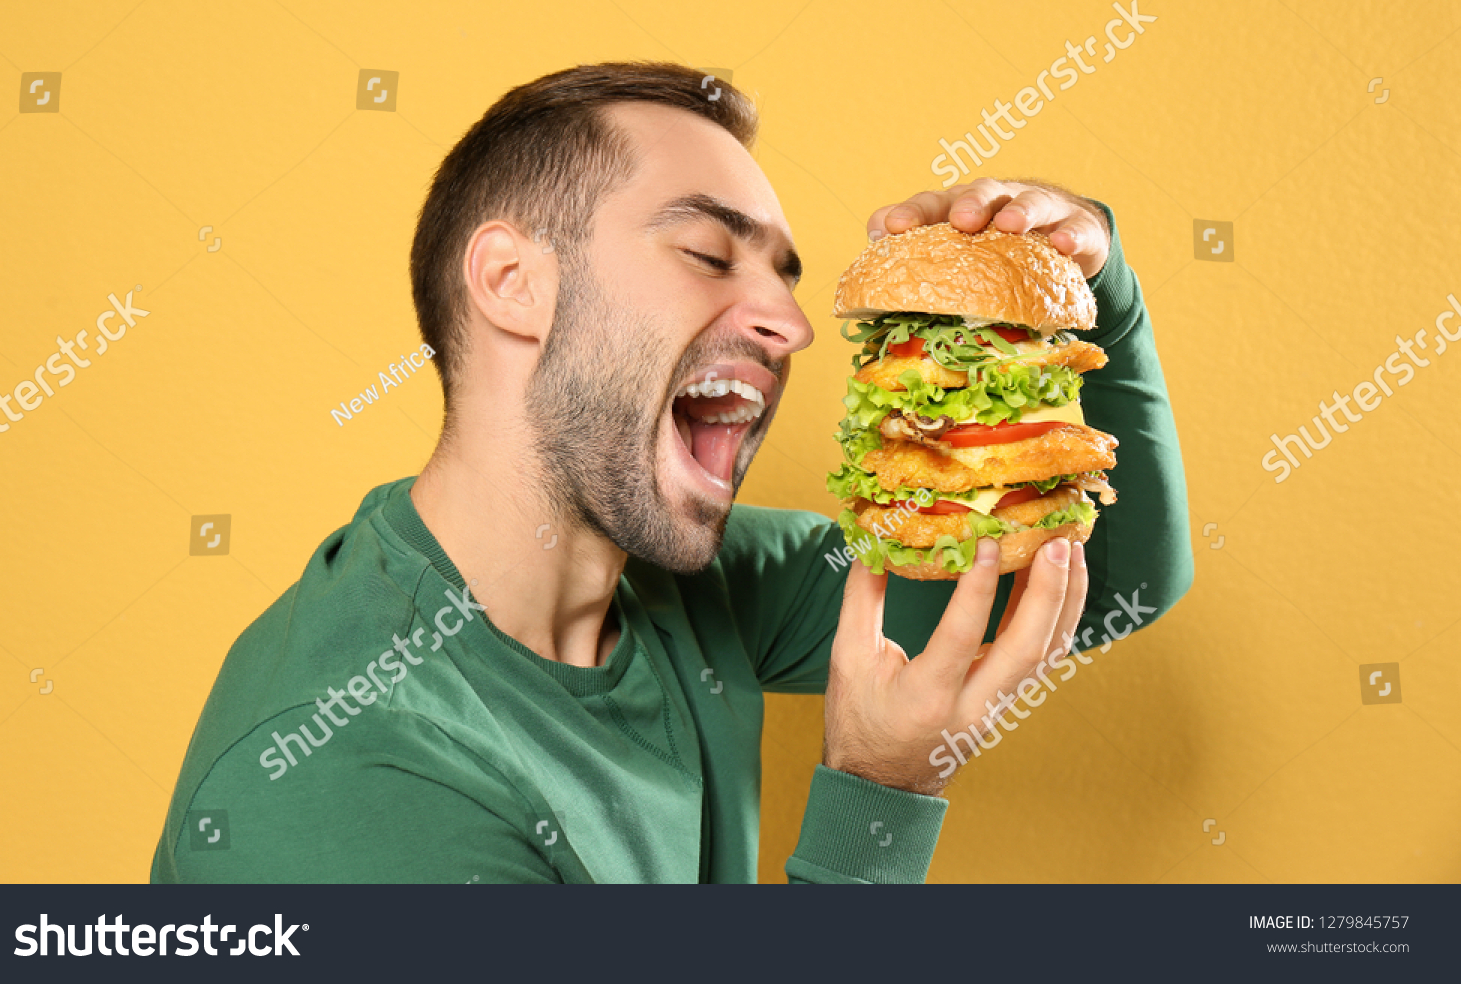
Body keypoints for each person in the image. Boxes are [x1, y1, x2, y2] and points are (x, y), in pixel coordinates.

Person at [151, 62, 1192, 884]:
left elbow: (1102, 584)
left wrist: (1096, 282)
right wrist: (874, 796)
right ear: (513, 284)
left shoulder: (694, 589)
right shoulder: (345, 777)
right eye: (707, 253)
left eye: (783, 275)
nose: (792, 324)